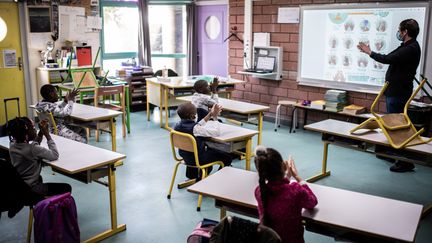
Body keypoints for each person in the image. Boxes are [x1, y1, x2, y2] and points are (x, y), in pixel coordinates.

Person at [357, 19, 421, 173]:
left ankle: (405, 161)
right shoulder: (405, 46)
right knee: (393, 124)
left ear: (405, 32)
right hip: (395, 91)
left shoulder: (411, 48)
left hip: (399, 92)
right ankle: (394, 153)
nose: (398, 33)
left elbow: (387, 59)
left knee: (398, 126)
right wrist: (371, 52)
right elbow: (388, 56)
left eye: (400, 30)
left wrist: (369, 52)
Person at [254, 146, 317, 243]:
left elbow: (278, 187)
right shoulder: (295, 190)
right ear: (283, 166)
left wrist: (287, 176)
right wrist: (297, 177)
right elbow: (312, 201)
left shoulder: (259, 191)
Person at [8, 117, 72, 198]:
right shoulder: (33, 149)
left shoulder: (12, 146)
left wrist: (40, 134)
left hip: (20, 188)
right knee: (67, 187)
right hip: (32, 189)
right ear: (26, 134)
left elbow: (33, 146)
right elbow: (55, 155)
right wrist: (47, 135)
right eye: (33, 128)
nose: (35, 130)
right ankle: (50, 207)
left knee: (40, 178)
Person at [173, 102, 232, 180]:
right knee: (227, 157)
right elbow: (216, 132)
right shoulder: (195, 129)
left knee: (209, 151)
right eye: (195, 113)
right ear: (192, 116)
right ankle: (218, 178)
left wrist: (210, 114)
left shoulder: (177, 126)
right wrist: (215, 117)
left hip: (186, 157)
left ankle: (195, 177)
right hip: (198, 159)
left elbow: (197, 125)